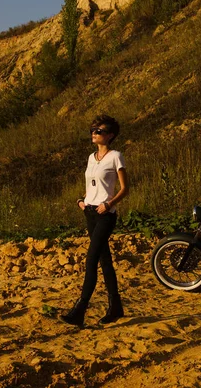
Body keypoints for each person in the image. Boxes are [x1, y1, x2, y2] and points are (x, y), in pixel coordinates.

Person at [61, 115, 129, 327]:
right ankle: (115, 307)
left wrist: (108, 204)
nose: (94, 133)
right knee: (104, 260)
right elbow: (92, 185)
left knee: (91, 260)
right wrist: (82, 200)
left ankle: (80, 309)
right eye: (93, 130)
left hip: (105, 215)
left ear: (110, 135)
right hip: (89, 212)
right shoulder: (92, 158)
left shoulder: (116, 156)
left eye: (99, 131)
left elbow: (125, 188)